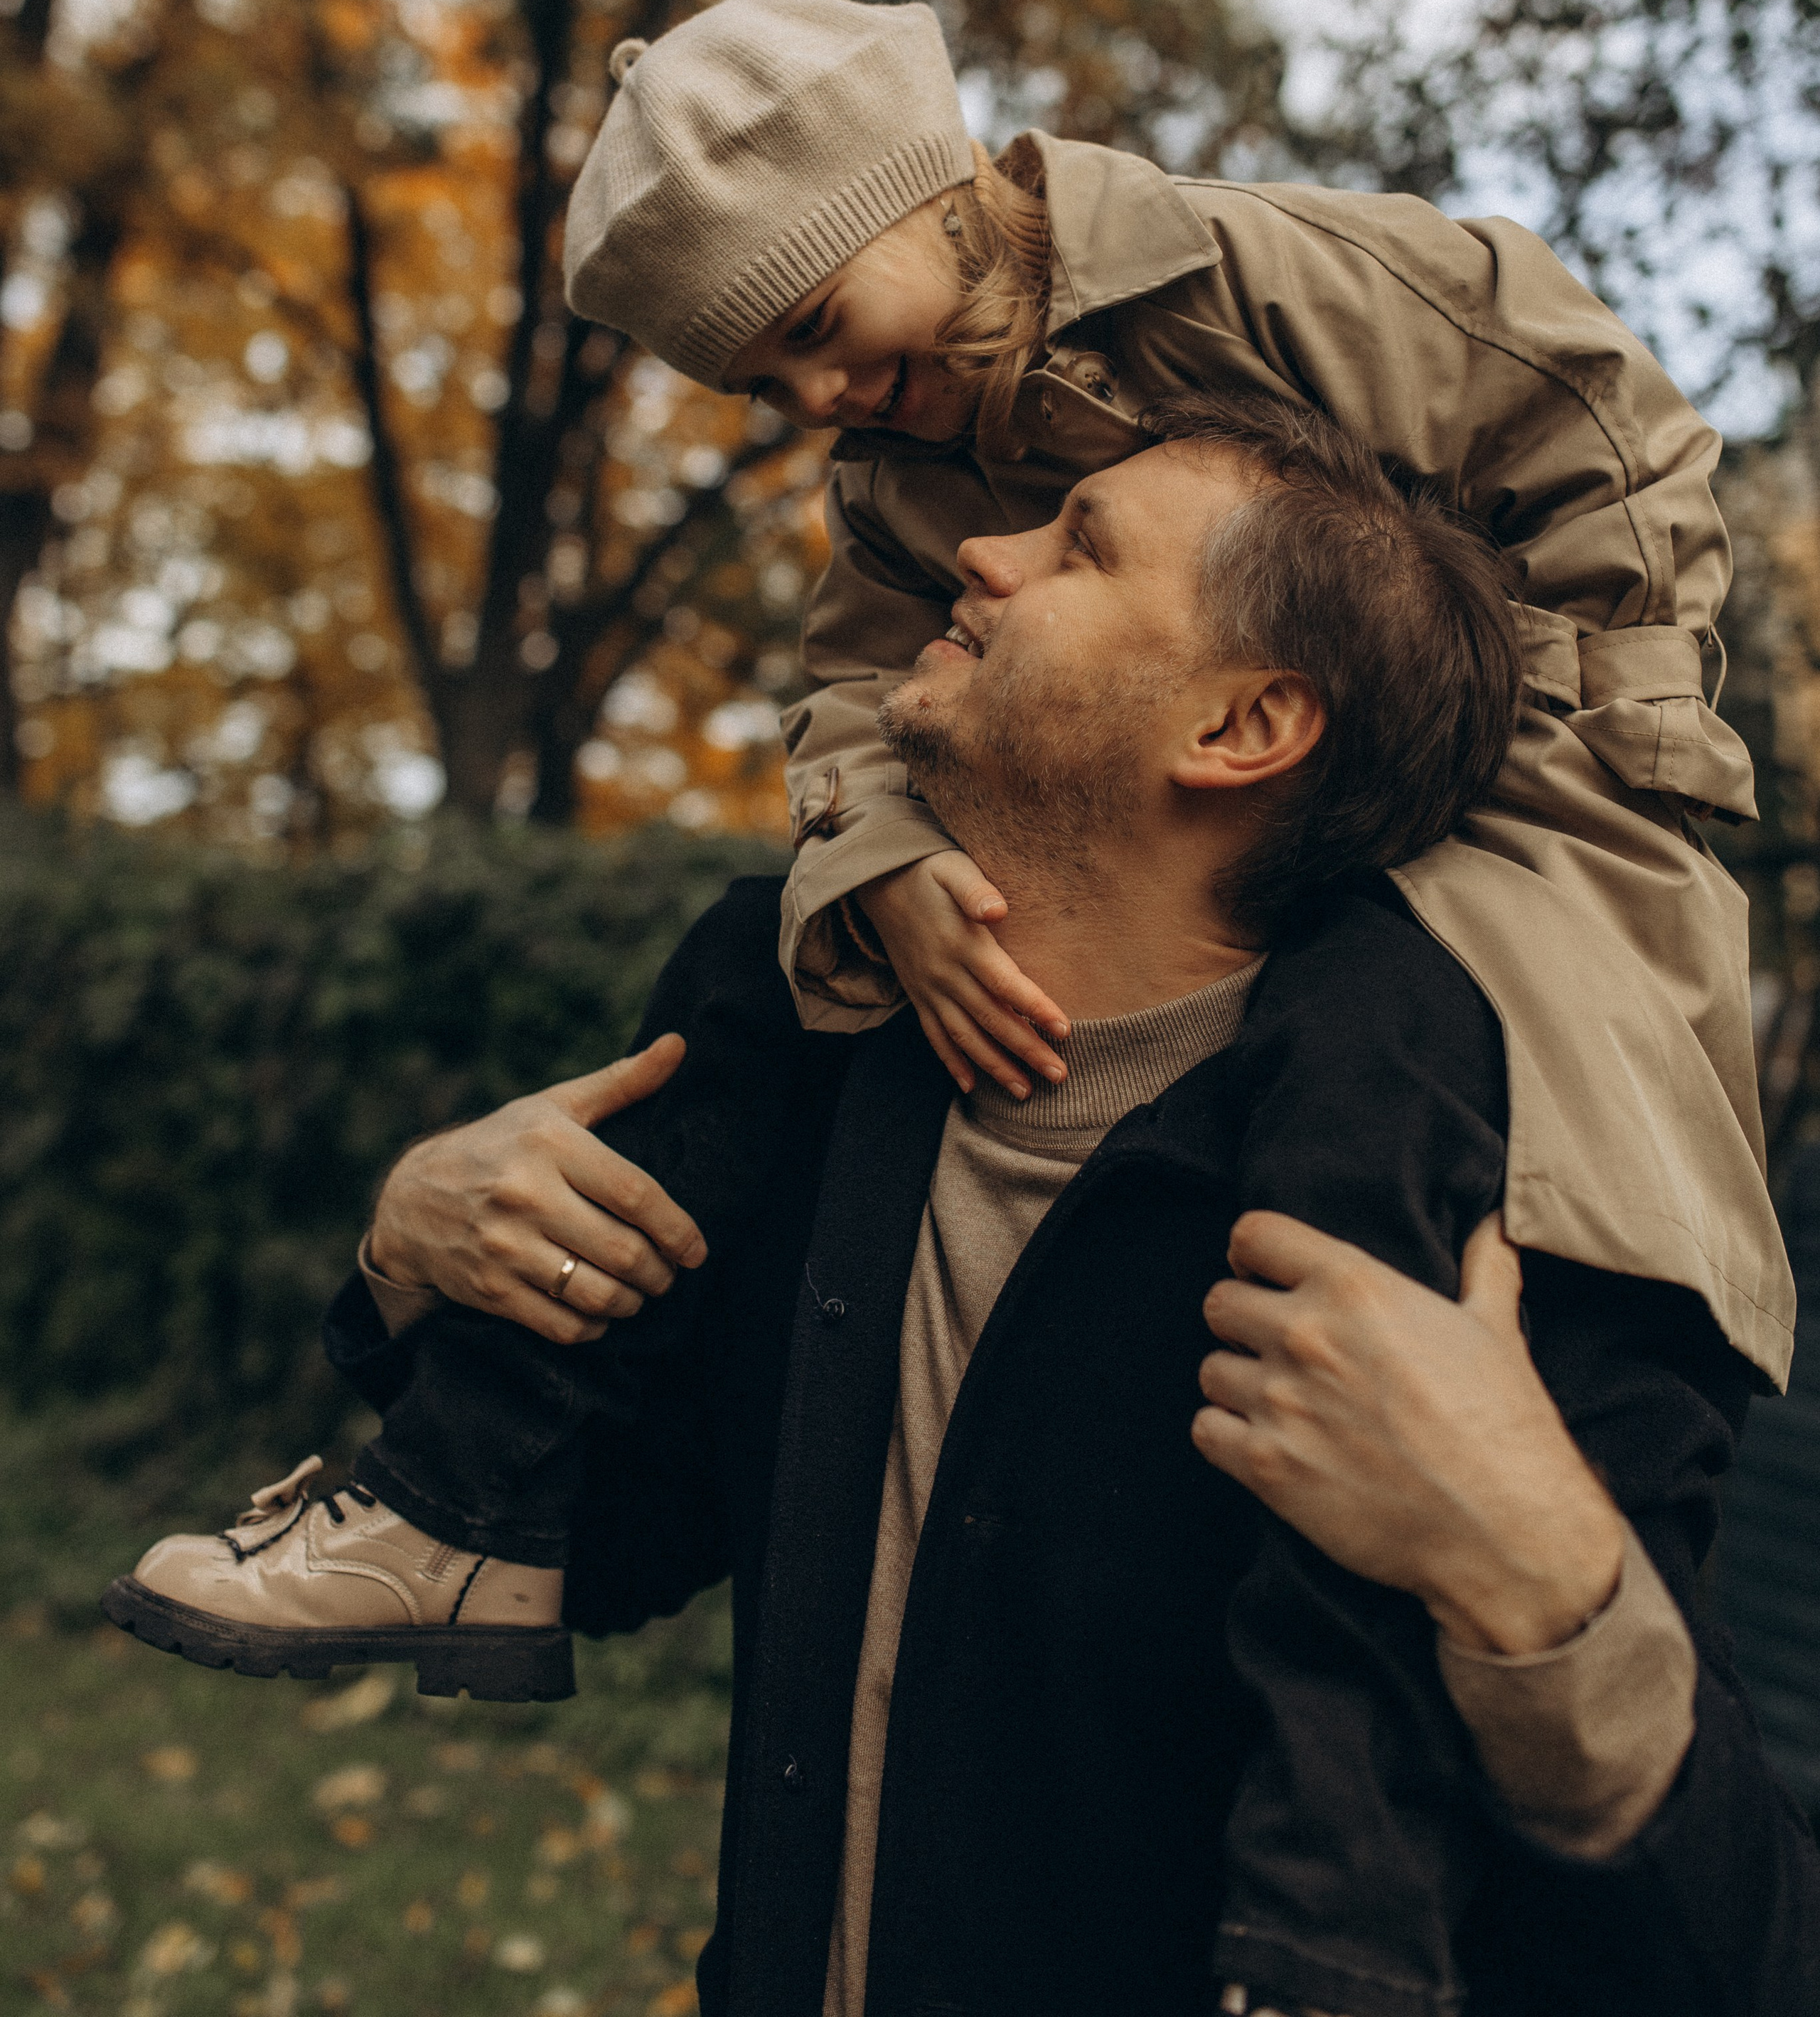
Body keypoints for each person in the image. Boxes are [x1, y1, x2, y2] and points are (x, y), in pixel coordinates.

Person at [105, 405, 1818, 2016]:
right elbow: (620, 1539)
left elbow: (1737, 1953)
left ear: (1239, 726)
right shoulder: (828, 1082)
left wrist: (1540, 1570)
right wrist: (409, 1258)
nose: (981, 559)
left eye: (1077, 546)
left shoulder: (1463, 1236)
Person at [559, 0, 1792, 1395]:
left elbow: (1586, 413)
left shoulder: (1236, 272)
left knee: (1511, 1063)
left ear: (923, 195)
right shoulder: (897, 477)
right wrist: (885, 857)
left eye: (815, 324)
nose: (817, 394)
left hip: (1513, 742)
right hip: (1232, 818)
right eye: (764, 385)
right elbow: (856, 680)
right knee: (798, 963)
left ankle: (1546, 1406)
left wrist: (1620, 710)